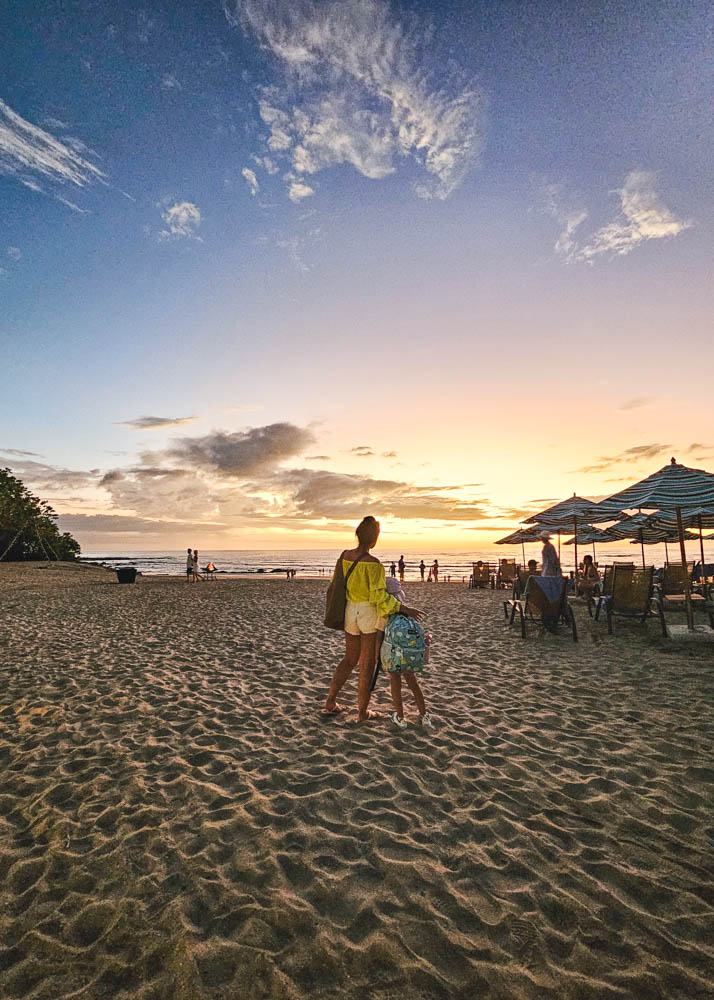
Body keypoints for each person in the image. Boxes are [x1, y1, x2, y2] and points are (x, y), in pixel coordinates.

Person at [323, 516, 423, 722]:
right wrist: (404, 608)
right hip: (367, 614)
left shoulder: (344, 556)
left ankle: (330, 701)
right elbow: (378, 597)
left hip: (350, 612)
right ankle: (362, 713)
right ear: (374, 539)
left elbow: (336, 583)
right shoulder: (374, 564)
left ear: (358, 534)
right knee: (367, 664)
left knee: (349, 659)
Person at [377, 577, 432, 729]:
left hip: (394, 657)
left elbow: (379, 638)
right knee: (414, 684)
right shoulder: (408, 614)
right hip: (409, 655)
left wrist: (378, 658)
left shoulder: (384, 615)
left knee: (395, 685)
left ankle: (400, 718)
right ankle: (424, 716)